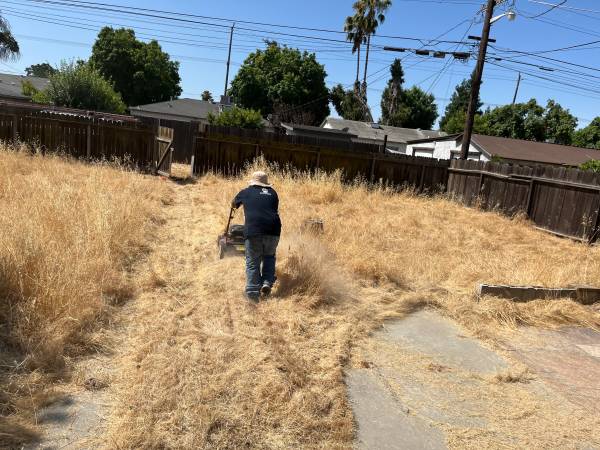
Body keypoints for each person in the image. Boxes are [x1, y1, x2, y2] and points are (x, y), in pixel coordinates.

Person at [232, 171, 282, 303]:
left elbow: (234, 204)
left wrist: (237, 204)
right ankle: (266, 282)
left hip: (254, 230)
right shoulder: (273, 193)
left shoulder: (246, 192)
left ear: (253, 182)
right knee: (269, 257)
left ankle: (253, 293)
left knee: (253, 261)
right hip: (274, 230)